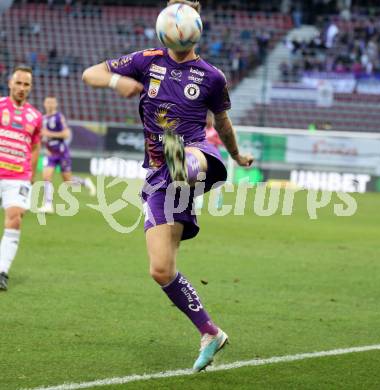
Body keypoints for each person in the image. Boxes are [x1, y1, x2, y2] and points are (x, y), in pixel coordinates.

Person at [82, 0, 253, 371]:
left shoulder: (211, 76)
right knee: (161, 269)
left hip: (197, 154)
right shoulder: (147, 60)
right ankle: (210, 332)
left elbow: (222, 123)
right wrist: (118, 81)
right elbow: (90, 73)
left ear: (194, 27)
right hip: (160, 177)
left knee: (182, 157)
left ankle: (180, 165)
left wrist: (237, 155)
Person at [0, 65, 42, 291]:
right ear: (10, 83)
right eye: (18, 83)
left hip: (17, 176)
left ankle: (1, 271)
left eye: (26, 84)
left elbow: (35, 147)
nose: (21, 88)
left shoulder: (35, 116)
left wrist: (31, 175)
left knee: (15, 217)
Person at [38, 96, 95, 214]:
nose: (49, 104)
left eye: (51, 102)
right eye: (47, 102)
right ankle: (48, 205)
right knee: (46, 177)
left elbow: (66, 134)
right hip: (51, 153)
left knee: (67, 181)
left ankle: (85, 182)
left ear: (55, 104)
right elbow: (43, 137)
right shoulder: (43, 119)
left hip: (62, 153)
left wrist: (49, 133)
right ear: (44, 103)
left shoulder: (59, 117)